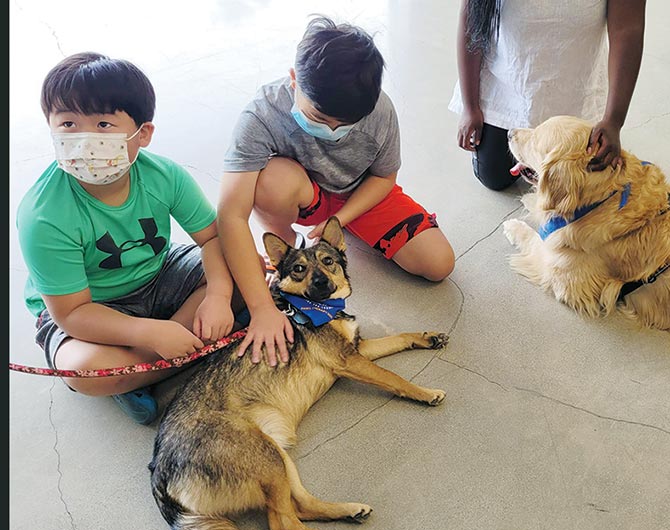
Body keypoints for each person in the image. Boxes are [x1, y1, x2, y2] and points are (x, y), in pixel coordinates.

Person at [16, 52, 242, 425]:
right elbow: (72, 312)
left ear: (144, 133)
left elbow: (213, 239)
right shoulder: (44, 215)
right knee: (82, 370)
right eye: (68, 124)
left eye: (103, 123)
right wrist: (150, 331)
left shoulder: (165, 176)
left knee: (242, 266)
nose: (84, 139)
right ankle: (175, 356)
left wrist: (217, 297)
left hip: (158, 273)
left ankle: (138, 371)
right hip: (89, 306)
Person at [218, 16, 455, 367]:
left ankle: (345, 233)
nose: (331, 129)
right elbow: (230, 213)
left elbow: (384, 179)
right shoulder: (261, 115)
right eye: (319, 116)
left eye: (346, 124)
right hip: (303, 192)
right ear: (294, 79)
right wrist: (262, 308)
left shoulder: (379, 110)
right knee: (271, 181)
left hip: (361, 192)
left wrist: (339, 221)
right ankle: (283, 258)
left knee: (439, 264)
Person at [450, 0, 647, 190]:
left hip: (576, 90)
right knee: (495, 177)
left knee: (581, 188)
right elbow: (471, 20)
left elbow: (627, 29)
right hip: (508, 86)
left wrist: (613, 120)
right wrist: (470, 107)